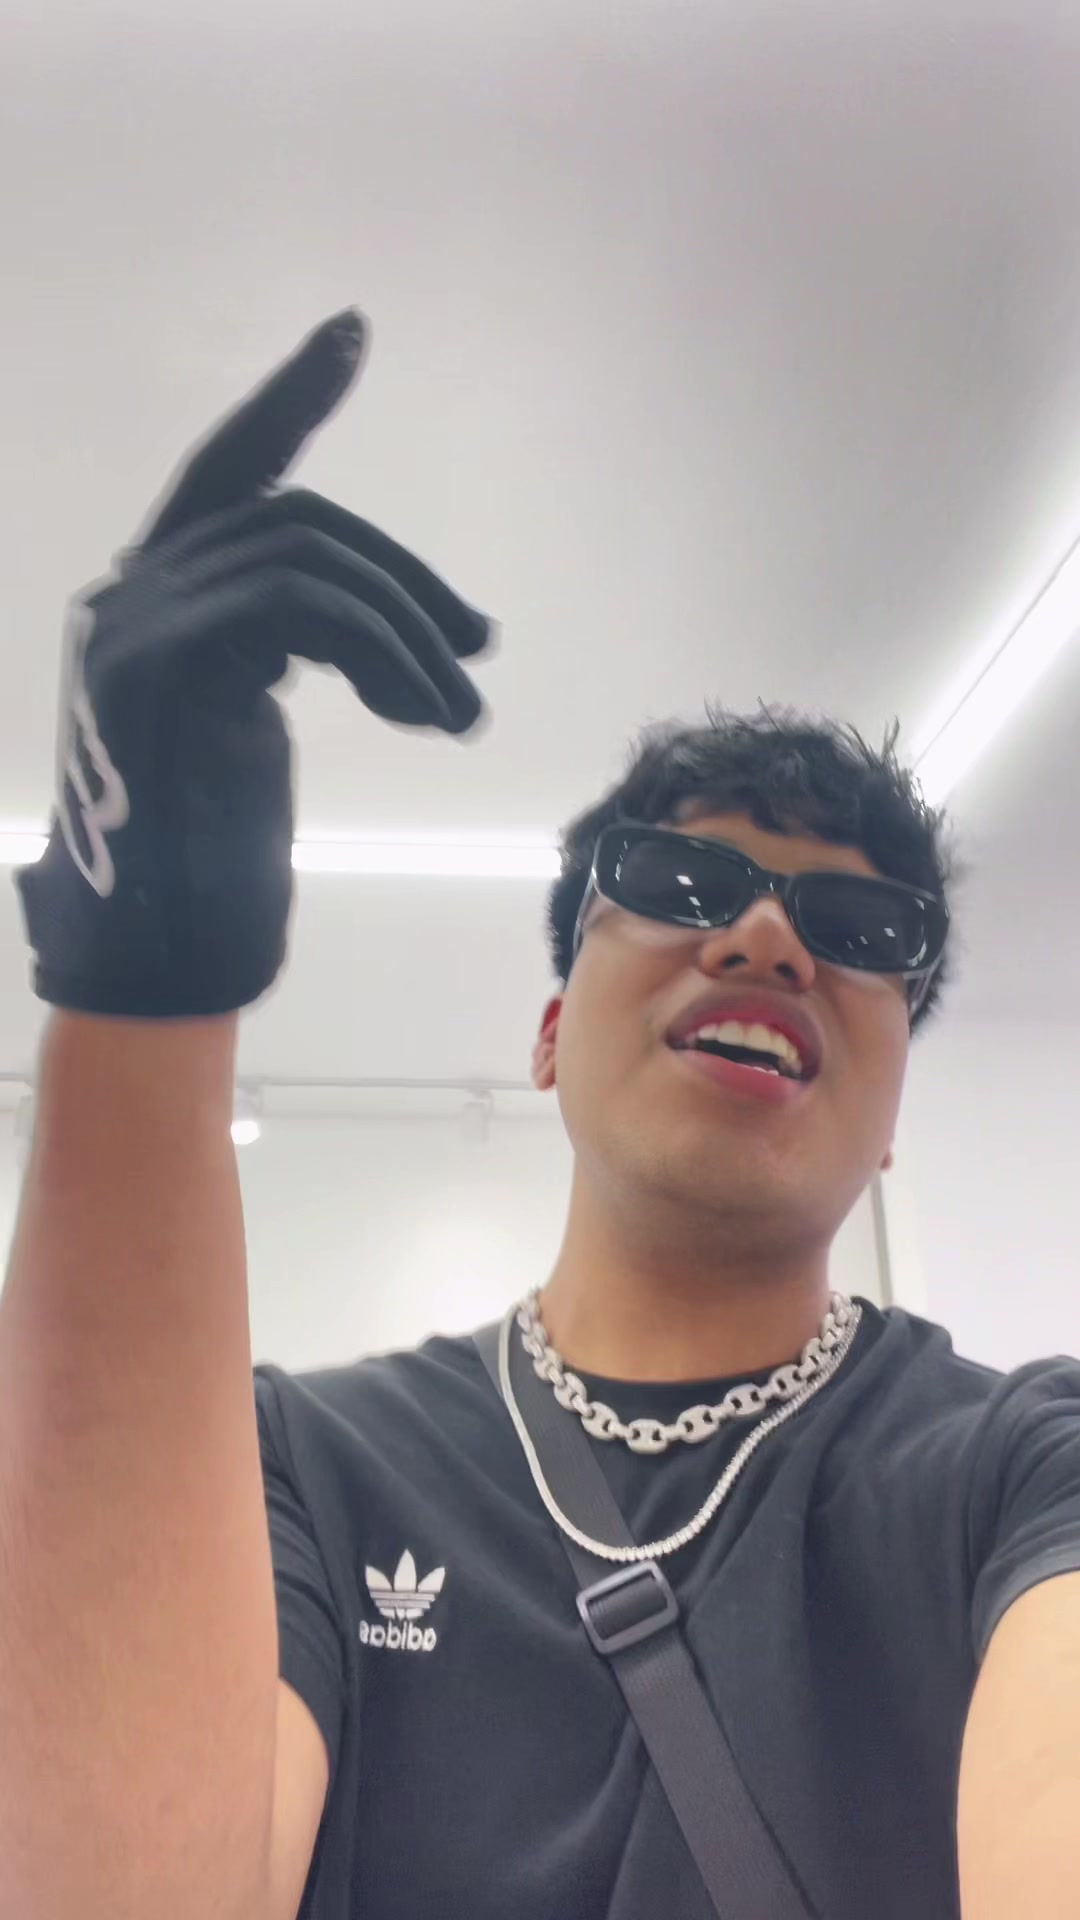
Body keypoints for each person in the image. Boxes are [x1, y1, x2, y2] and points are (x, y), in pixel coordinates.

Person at [1, 310, 1078, 1920]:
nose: (767, 937)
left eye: (861, 929)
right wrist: (143, 990)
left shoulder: (1023, 1469)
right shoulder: (306, 1469)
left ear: (893, 1121)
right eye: (683, 880)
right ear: (551, 1036)